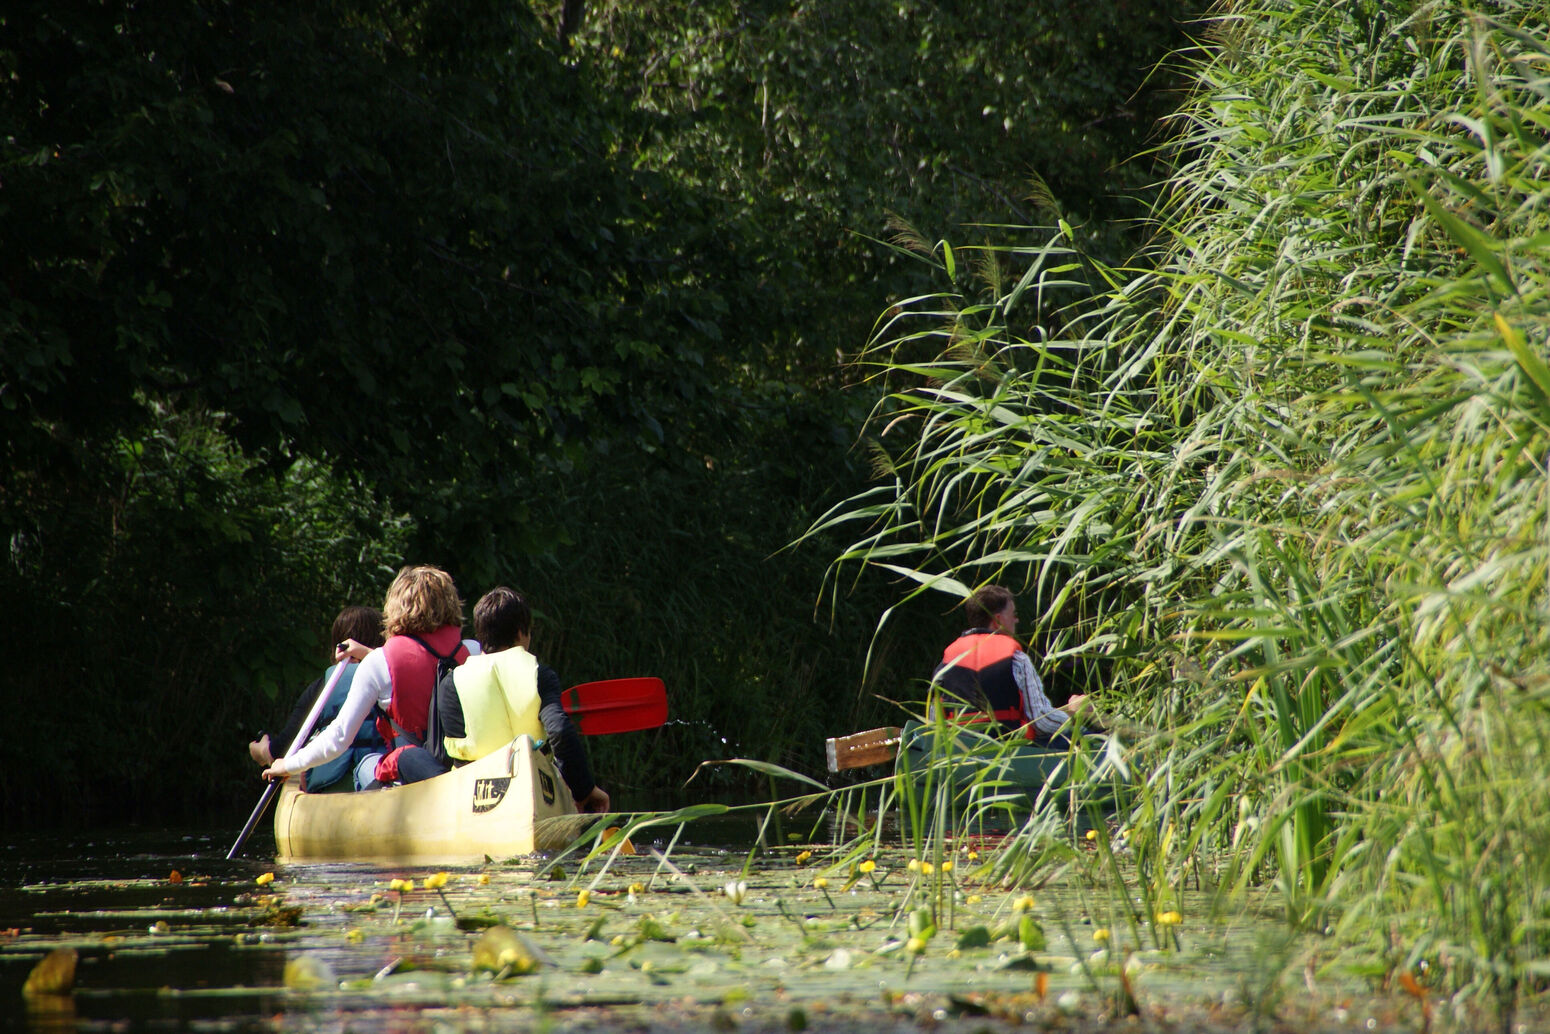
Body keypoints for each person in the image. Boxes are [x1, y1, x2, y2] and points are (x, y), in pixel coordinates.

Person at [263, 565, 477, 788]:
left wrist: (289, 765)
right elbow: (429, 660)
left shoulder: (379, 662)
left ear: (396, 606)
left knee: (367, 763)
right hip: (462, 770)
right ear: (451, 603)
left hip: (412, 778)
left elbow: (339, 737)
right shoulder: (473, 650)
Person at [434, 586, 610, 812]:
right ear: (520, 633)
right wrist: (584, 790)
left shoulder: (451, 683)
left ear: (481, 636)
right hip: (537, 794)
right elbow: (559, 731)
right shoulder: (539, 674)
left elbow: (453, 754)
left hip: (475, 799)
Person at [248, 606, 386, 791]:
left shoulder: (323, 687)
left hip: (333, 787)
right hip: (380, 781)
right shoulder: (392, 679)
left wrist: (262, 751)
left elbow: (285, 748)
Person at [931, 585, 1088, 747]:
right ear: (998, 620)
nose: (1016, 620)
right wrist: (1074, 716)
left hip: (960, 748)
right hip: (1009, 747)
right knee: (1088, 738)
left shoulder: (946, 664)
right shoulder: (1017, 659)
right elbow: (1041, 722)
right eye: (1013, 614)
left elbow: (934, 721)